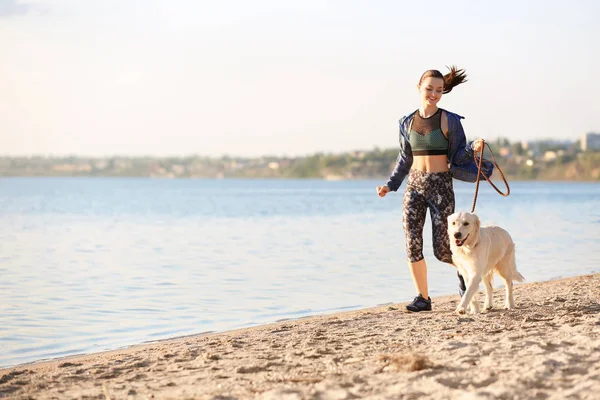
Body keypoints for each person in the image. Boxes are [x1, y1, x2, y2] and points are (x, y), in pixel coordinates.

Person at [376, 66, 494, 312]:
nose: (433, 94)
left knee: (443, 249)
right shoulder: (406, 122)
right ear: (419, 88)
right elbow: (404, 159)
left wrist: (475, 146)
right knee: (412, 243)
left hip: (440, 186)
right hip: (414, 186)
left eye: (439, 90)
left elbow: (460, 153)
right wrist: (390, 185)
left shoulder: (449, 120)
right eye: (429, 89)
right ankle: (423, 298)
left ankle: (467, 278)